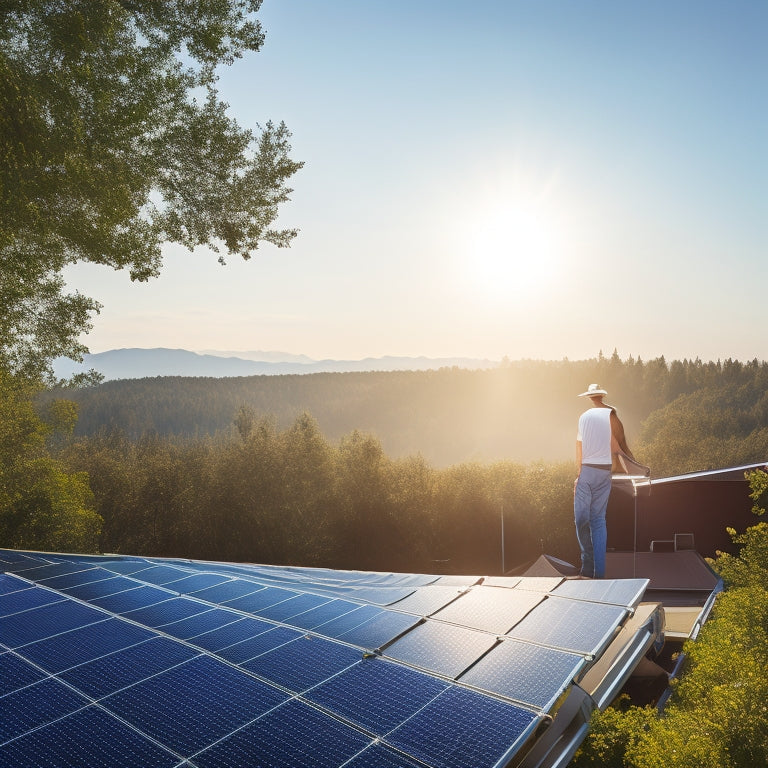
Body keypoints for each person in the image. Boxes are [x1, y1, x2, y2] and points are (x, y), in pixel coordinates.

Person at [573, 383, 635, 578]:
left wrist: (578, 476)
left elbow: (579, 448)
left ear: (590, 398)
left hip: (589, 471)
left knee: (581, 520)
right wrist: (632, 469)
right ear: (601, 397)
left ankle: (586, 566)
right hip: (604, 472)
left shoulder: (584, 417)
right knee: (598, 520)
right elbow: (616, 446)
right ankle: (599, 573)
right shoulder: (610, 416)